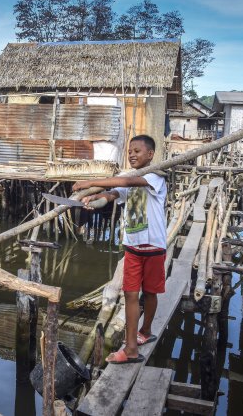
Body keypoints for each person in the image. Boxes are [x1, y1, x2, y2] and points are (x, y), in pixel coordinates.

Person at [72, 135, 167, 364]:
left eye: (137, 151)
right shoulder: (127, 178)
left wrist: (89, 183)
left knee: (151, 293)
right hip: (133, 247)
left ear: (150, 154)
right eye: (129, 151)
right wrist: (96, 198)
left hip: (153, 246)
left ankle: (146, 330)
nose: (132, 154)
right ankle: (131, 348)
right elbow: (114, 193)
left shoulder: (155, 176)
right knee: (131, 294)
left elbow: (124, 183)